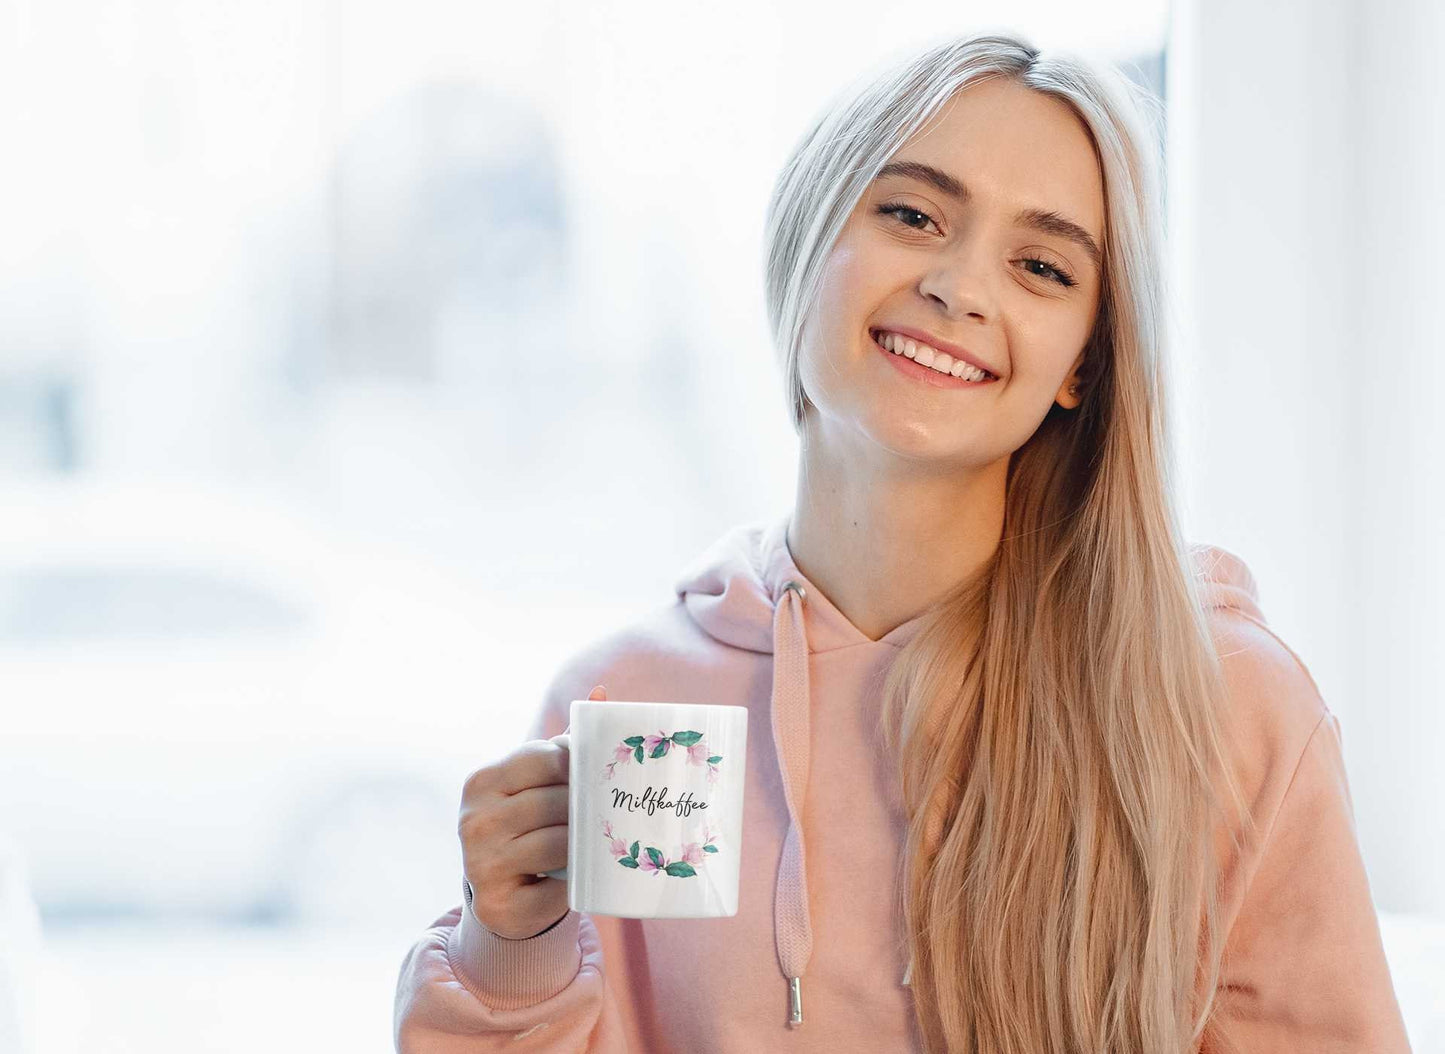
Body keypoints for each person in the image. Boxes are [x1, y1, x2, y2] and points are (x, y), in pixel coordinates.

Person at [393, 30, 1411, 1053]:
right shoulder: (633, 702)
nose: (960, 287)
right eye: (912, 214)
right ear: (807, 237)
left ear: (1081, 366)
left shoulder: (1220, 706)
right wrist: (511, 948)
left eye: (1041, 266)